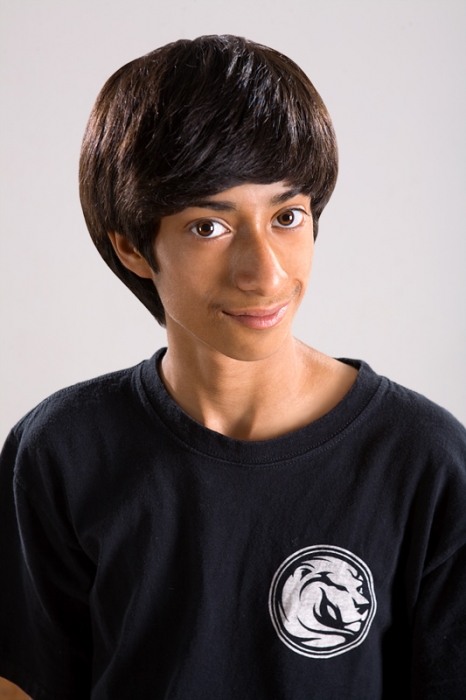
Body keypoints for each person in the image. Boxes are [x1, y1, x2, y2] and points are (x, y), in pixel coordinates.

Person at [0, 34, 465, 700]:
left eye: (287, 215)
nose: (265, 273)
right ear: (132, 247)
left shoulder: (426, 461)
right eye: (208, 227)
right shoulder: (60, 452)